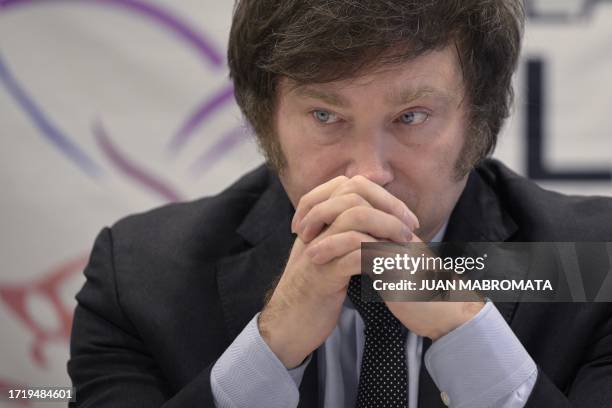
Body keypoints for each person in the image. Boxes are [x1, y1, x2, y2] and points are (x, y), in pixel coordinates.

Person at [67, 0, 612, 407]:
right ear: (267, 125)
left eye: (411, 117)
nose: (368, 173)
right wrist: (271, 347)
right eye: (326, 116)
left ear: (479, 122)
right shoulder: (140, 277)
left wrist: (466, 330)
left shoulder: (594, 266)